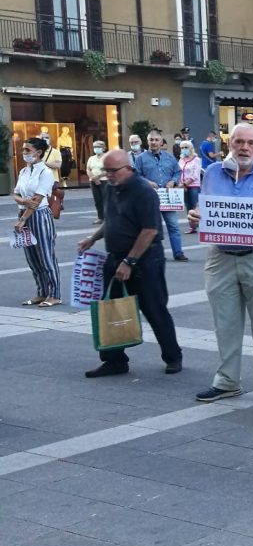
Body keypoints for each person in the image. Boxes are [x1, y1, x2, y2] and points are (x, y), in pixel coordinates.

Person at [188, 123, 253, 404]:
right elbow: (204, 208)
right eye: (238, 142)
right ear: (229, 144)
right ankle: (227, 381)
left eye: (250, 143)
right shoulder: (211, 173)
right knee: (225, 322)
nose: (244, 147)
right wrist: (196, 215)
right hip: (220, 257)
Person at [78, 150, 183, 378]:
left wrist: (129, 261)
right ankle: (114, 360)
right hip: (115, 257)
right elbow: (112, 221)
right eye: (105, 171)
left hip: (145, 260)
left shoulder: (144, 191)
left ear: (129, 168)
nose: (108, 175)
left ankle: (173, 356)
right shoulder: (110, 188)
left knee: (154, 309)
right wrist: (92, 238)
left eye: (113, 171)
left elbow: (149, 230)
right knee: (111, 310)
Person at [13, 137, 61, 307]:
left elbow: (37, 199)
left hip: (40, 216)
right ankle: (41, 292)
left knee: (46, 256)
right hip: (24, 213)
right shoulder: (23, 171)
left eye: (27, 150)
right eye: (23, 149)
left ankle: (54, 294)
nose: (24, 153)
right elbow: (16, 194)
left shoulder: (45, 172)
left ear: (39, 152)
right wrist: (23, 202)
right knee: (32, 257)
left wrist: (22, 218)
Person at [135, 130, 188, 262]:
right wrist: (147, 182)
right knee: (151, 227)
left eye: (156, 140)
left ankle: (178, 252)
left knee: (173, 225)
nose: (154, 142)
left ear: (161, 141)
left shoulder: (169, 157)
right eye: (151, 140)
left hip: (167, 197)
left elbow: (177, 172)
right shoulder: (140, 158)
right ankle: (151, 254)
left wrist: (173, 181)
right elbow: (136, 176)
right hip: (150, 198)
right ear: (147, 142)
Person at [178, 140, 203, 233]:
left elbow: (195, 174)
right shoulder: (181, 159)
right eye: (182, 148)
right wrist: (181, 184)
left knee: (195, 206)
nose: (184, 149)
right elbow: (179, 172)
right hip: (184, 186)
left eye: (186, 147)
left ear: (191, 148)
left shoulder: (196, 159)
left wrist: (185, 183)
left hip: (194, 186)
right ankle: (192, 227)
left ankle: (201, 225)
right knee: (188, 206)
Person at [87, 140, 108, 223]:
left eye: (98, 147)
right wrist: (94, 178)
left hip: (104, 181)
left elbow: (109, 170)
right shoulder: (91, 158)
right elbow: (88, 169)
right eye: (95, 147)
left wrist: (99, 177)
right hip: (93, 181)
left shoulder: (107, 157)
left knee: (105, 199)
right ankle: (100, 217)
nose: (96, 149)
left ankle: (107, 217)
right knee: (97, 200)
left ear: (103, 148)